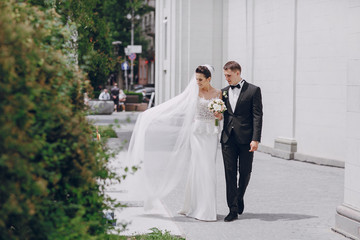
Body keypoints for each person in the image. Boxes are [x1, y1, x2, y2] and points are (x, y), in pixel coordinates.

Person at [126, 65, 222, 221]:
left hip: (211, 134)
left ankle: (206, 208)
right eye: (196, 79)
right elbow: (175, 106)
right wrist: (150, 115)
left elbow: (220, 117)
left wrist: (217, 114)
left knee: (209, 169)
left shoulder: (218, 93)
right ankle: (199, 208)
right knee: (199, 168)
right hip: (197, 133)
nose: (197, 82)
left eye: (200, 79)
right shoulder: (194, 92)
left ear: (209, 79)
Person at [220, 61, 263, 222]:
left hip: (246, 139)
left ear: (238, 73)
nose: (227, 79)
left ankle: (239, 196)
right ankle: (232, 209)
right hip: (227, 139)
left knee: (245, 172)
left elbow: (257, 116)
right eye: (225, 76)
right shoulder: (223, 92)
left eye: (229, 75)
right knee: (229, 173)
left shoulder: (253, 90)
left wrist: (256, 139)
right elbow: (222, 114)